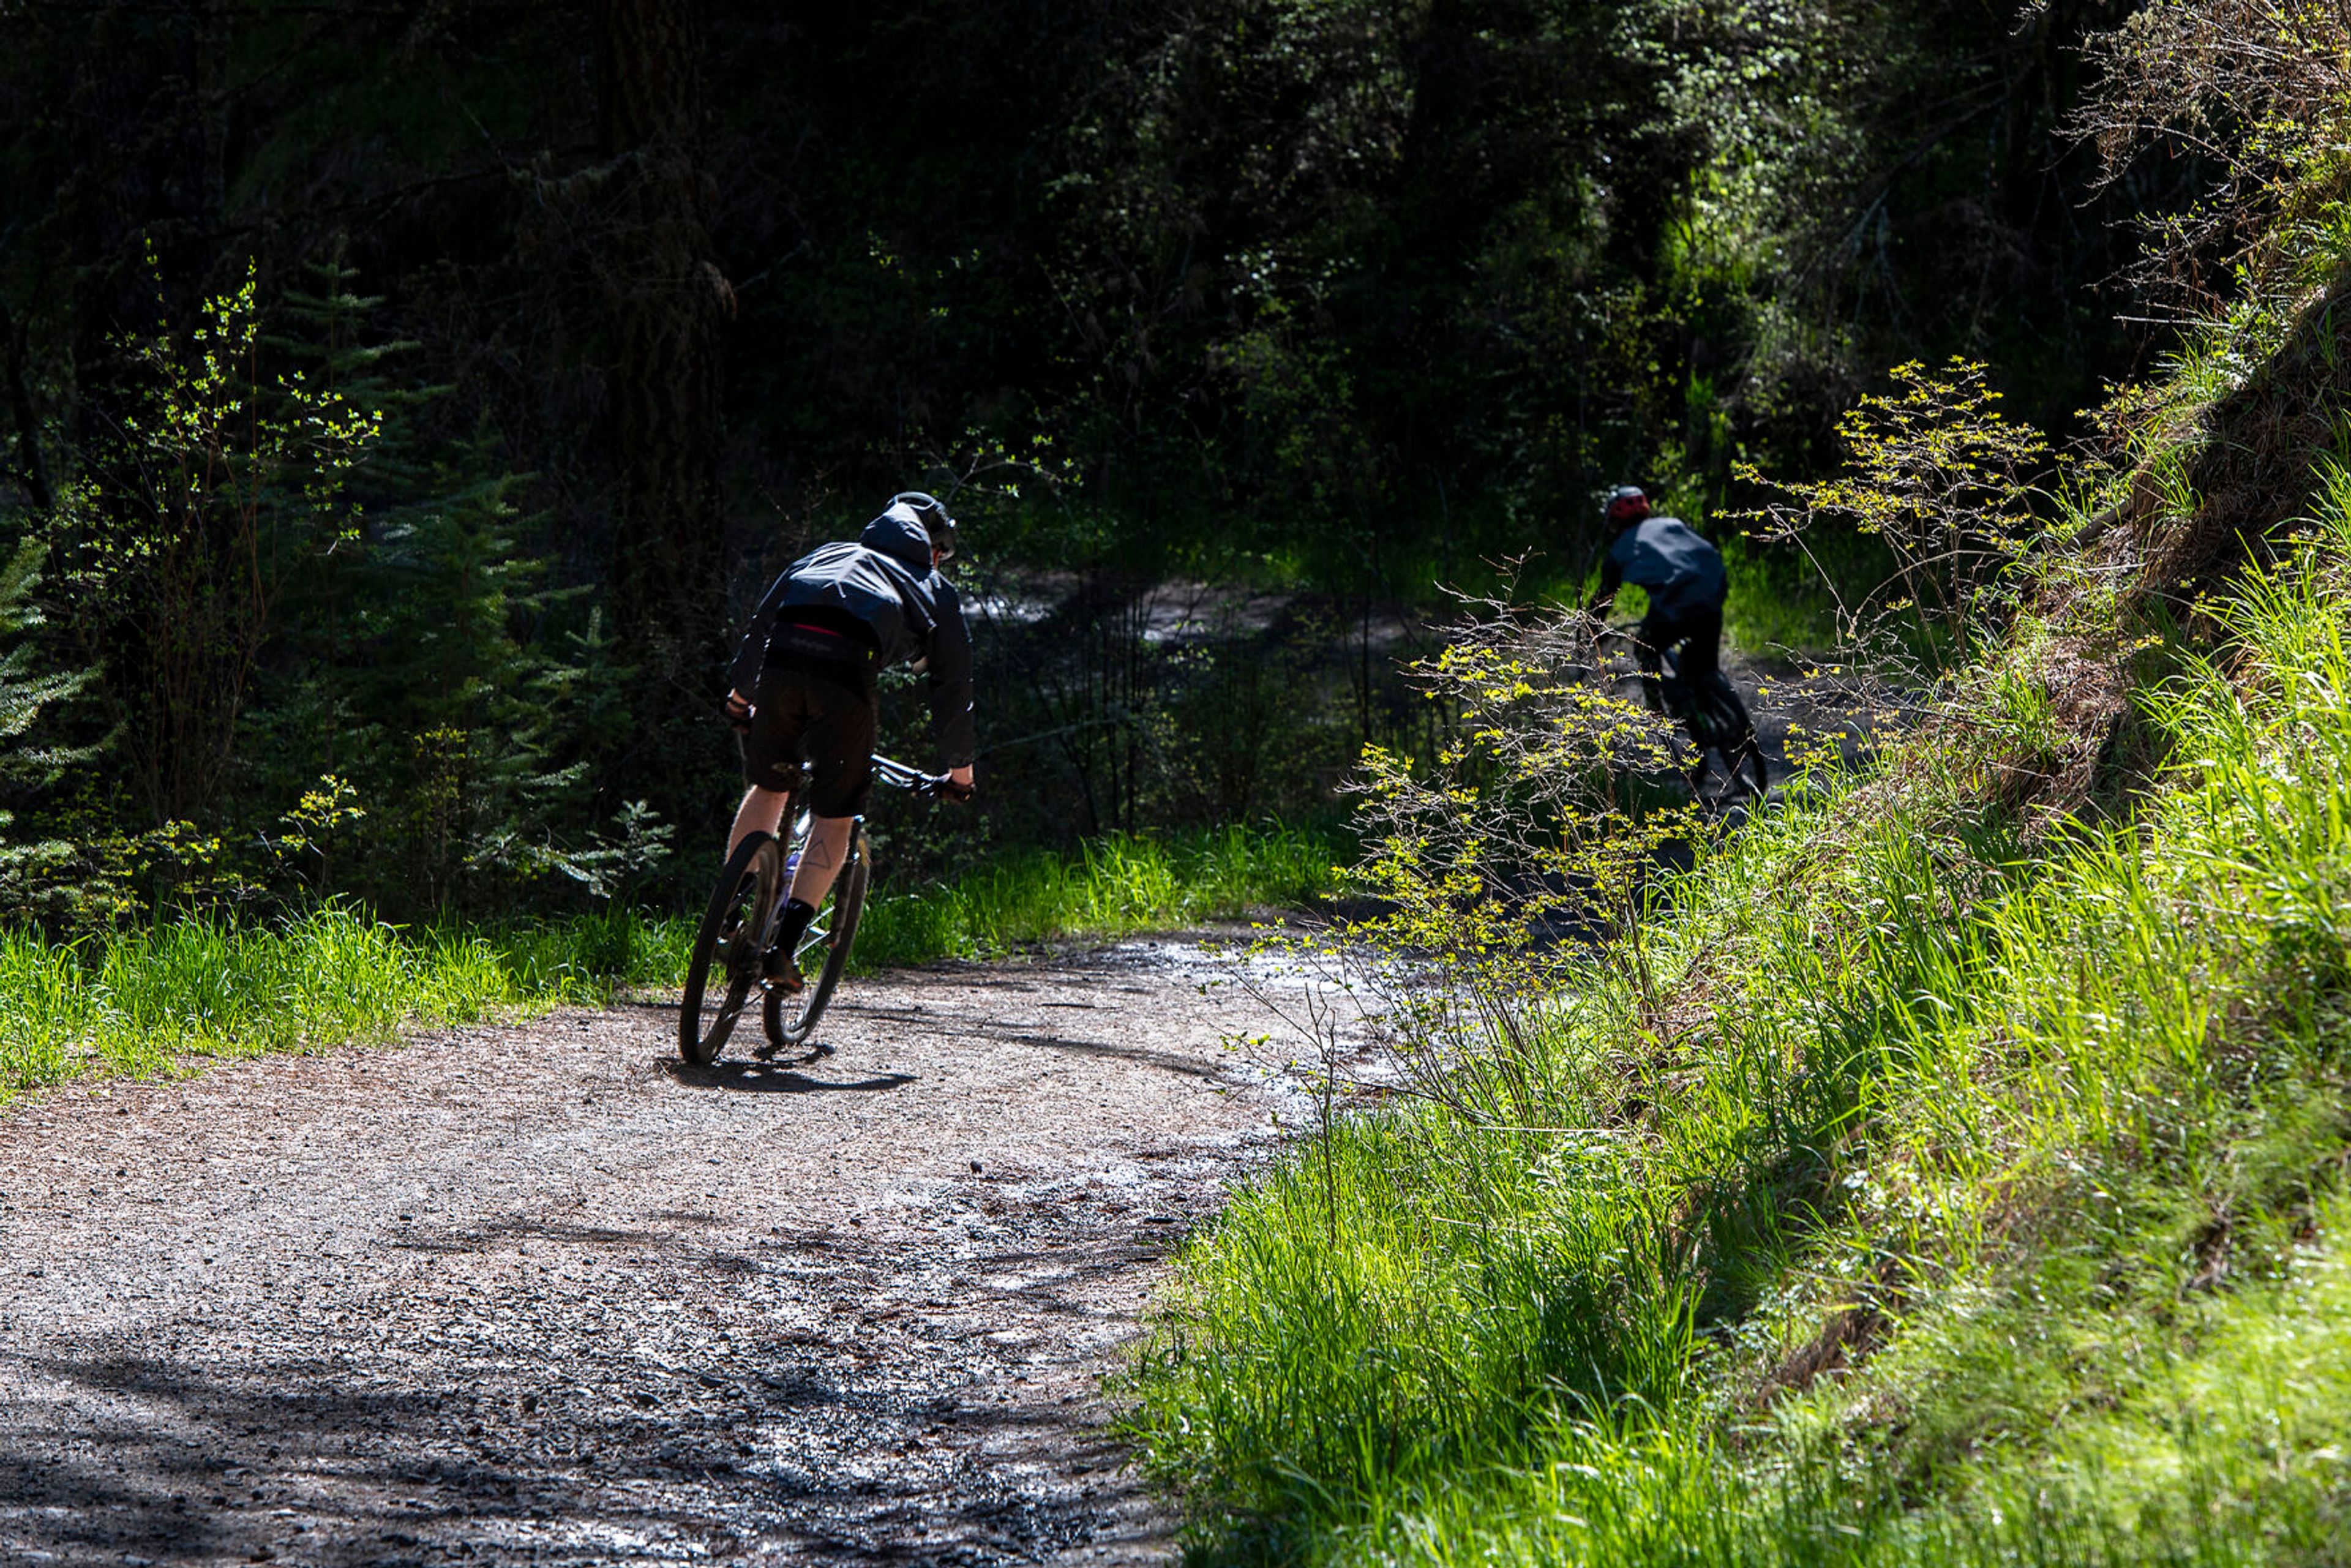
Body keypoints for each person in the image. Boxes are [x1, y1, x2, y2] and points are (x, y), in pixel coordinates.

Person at [722, 491, 976, 989]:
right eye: (940, 552)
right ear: (933, 548)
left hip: (782, 662)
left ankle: (729, 909)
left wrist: (739, 695)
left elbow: (763, 623)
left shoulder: (826, 554)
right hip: (845, 674)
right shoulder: (933, 585)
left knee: (770, 786)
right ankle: (783, 948)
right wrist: (959, 773)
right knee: (836, 815)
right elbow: (953, 688)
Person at [1587, 484, 1766, 789]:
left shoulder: (1618, 552)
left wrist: (1592, 631)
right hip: (1713, 593)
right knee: (1702, 667)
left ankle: (1662, 714)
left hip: (1674, 605)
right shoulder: (1672, 525)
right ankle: (1717, 704)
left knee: (1646, 649)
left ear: (1615, 520)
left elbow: (1604, 600)